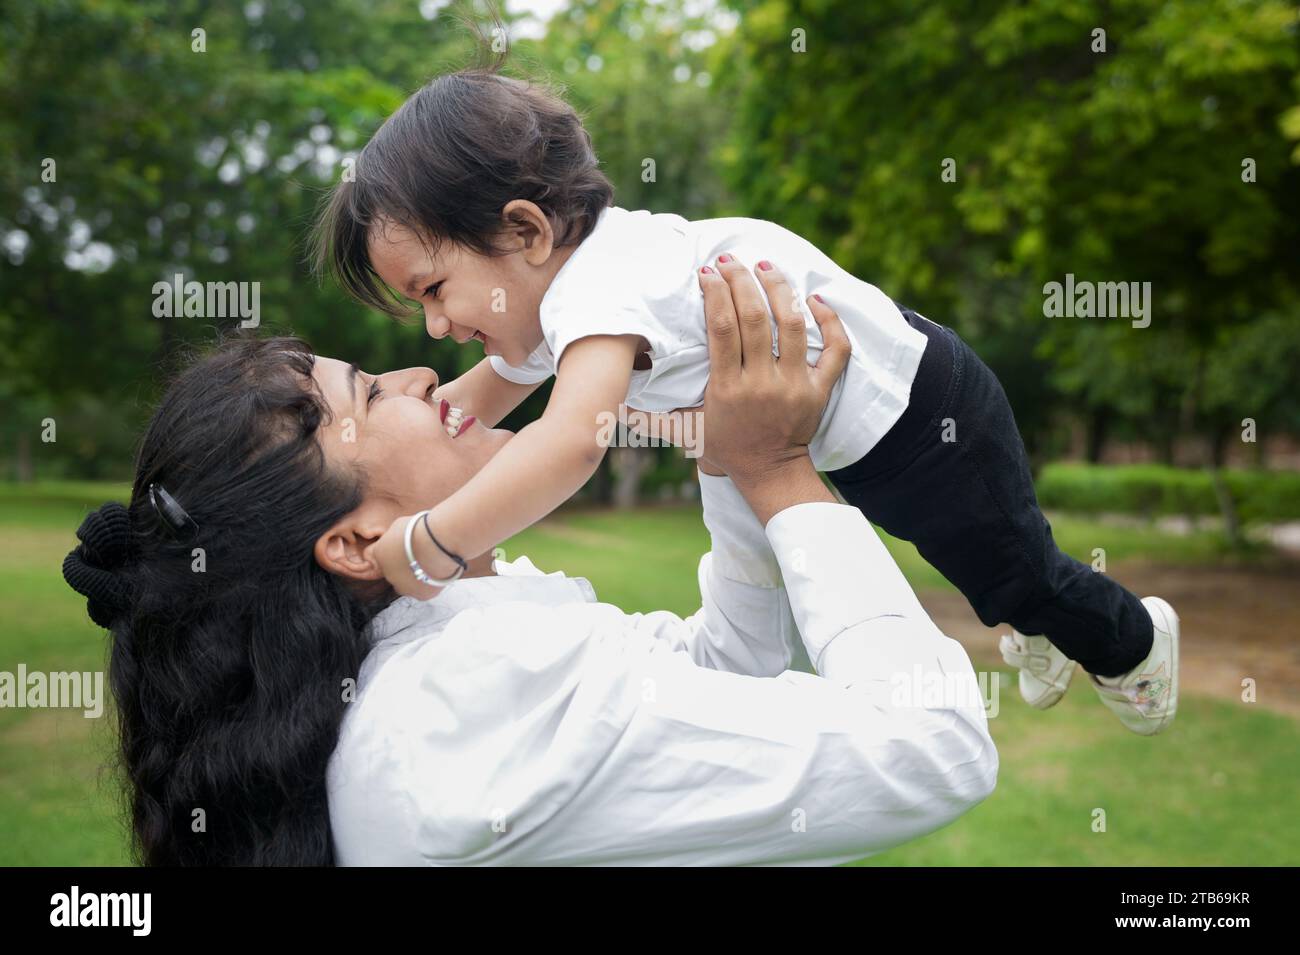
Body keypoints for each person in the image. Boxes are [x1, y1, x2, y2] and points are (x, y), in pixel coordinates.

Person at [313, 65, 1178, 736]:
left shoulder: (603, 290)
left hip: (922, 417)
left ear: (526, 232)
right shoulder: (556, 297)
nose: (432, 331)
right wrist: (400, 425)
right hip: (852, 436)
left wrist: (430, 543)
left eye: (432, 290)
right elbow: (478, 402)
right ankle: (1027, 607)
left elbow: (573, 442)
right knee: (979, 558)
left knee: (1015, 567)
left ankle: (1134, 643)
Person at [63, 262, 996, 866]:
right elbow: (929, 747)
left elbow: (720, 674)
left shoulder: (456, 635)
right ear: (350, 544)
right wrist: (780, 471)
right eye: (372, 393)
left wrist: (730, 443)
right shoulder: (466, 698)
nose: (421, 374)